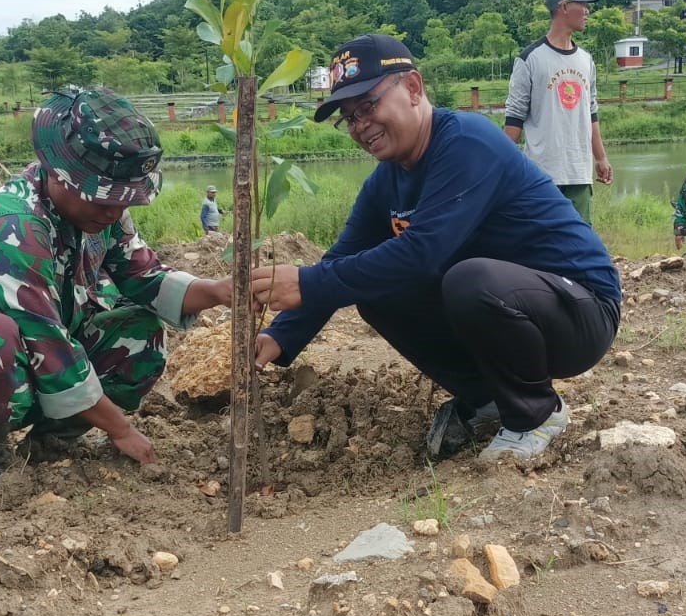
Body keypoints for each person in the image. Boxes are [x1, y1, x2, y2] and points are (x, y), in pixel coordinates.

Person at [248, 34, 622, 461]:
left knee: (468, 279)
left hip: (582, 309)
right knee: (377, 291)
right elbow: (342, 261)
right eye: (348, 119)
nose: (360, 125)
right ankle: (487, 401)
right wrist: (279, 335)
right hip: (516, 308)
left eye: (367, 106)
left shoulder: (466, 142)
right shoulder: (386, 181)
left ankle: (536, 414)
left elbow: (423, 252)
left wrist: (309, 283)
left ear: (412, 88)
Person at [0, 87, 232, 482]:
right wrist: (122, 429)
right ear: (58, 175)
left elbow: (145, 278)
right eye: (103, 200)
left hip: (28, 374)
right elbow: (44, 341)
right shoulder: (15, 225)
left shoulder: (102, 215)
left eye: (124, 200)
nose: (116, 211)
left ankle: (51, 445)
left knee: (139, 332)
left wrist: (219, 291)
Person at [503, 0, 613, 223]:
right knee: (543, 245)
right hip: (542, 175)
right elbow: (514, 118)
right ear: (564, 7)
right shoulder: (530, 59)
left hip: (579, 173)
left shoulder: (586, 60)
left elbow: (591, 113)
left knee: (582, 245)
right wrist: (500, 166)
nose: (587, 11)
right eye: (582, 4)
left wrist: (601, 157)